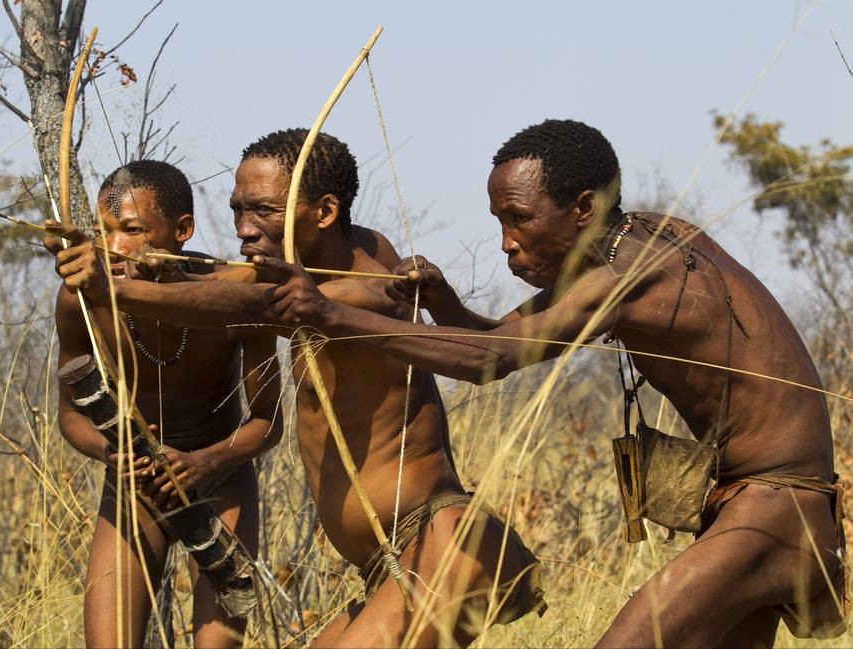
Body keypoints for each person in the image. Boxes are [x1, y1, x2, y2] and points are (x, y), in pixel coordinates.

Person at [260, 119, 849, 647]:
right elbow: (494, 334)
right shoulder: (644, 237)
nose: (506, 241)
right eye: (499, 221)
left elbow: (492, 360)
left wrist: (329, 315)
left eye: (519, 219)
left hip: (777, 505)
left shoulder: (629, 275)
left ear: (583, 208)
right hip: (754, 505)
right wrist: (442, 300)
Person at [48, 129, 547, 648]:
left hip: (444, 545)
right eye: (238, 209)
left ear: (325, 212)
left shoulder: (373, 288)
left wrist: (115, 288)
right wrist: (119, 263)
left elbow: (254, 305)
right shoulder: (332, 261)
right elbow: (225, 285)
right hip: (391, 565)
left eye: (262, 210)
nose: (243, 229)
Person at [52, 160, 283, 649]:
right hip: (134, 484)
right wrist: (107, 452)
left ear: (182, 230)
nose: (113, 248)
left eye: (133, 231)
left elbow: (267, 421)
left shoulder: (236, 292)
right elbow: (69, 413)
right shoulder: (82, 299)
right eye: (103, 231)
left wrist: (205, 462)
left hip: (219, 480)